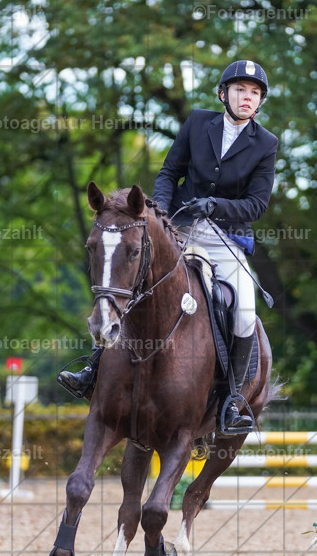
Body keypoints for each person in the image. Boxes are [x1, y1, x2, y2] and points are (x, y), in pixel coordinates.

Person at [59, 59, 278, 433]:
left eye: (255, 93)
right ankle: (93, 370)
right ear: (223, 94)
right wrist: (156, 214)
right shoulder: (196, 123)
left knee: (243, 311)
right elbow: (168, 173)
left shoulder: (266, 144)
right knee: (129, 282)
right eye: (241, 90)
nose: (248, 98)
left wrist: (215, 205)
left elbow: (257, 205)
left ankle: (233, 401)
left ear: (259, 102)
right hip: (178, 229)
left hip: (225, 238)